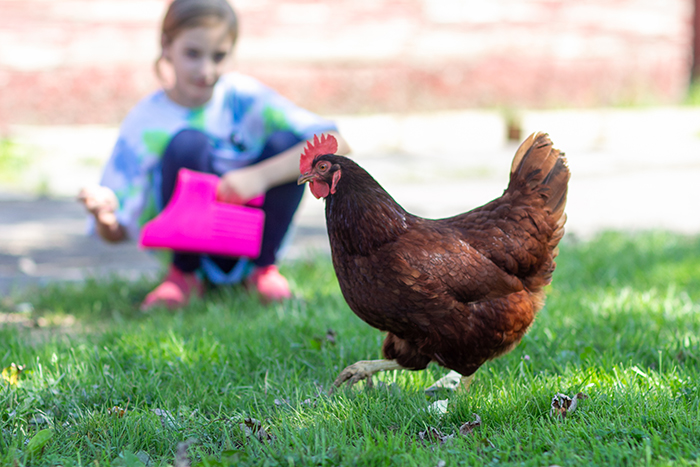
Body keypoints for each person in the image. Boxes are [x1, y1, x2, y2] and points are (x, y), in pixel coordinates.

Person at [78, 0, 350, 311]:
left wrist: (259, 176)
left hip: (252, 242)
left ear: (232, 51)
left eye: (218, 56)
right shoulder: (145, 121)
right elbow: (114, 232)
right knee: (186, 144)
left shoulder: (244, 97)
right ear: (166, 46)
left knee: (289, 142)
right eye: (193, 54)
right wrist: (105, 217)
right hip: (189, 248)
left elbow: (336, 143)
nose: (206, 70)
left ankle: (262, 272)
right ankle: (183, 276)